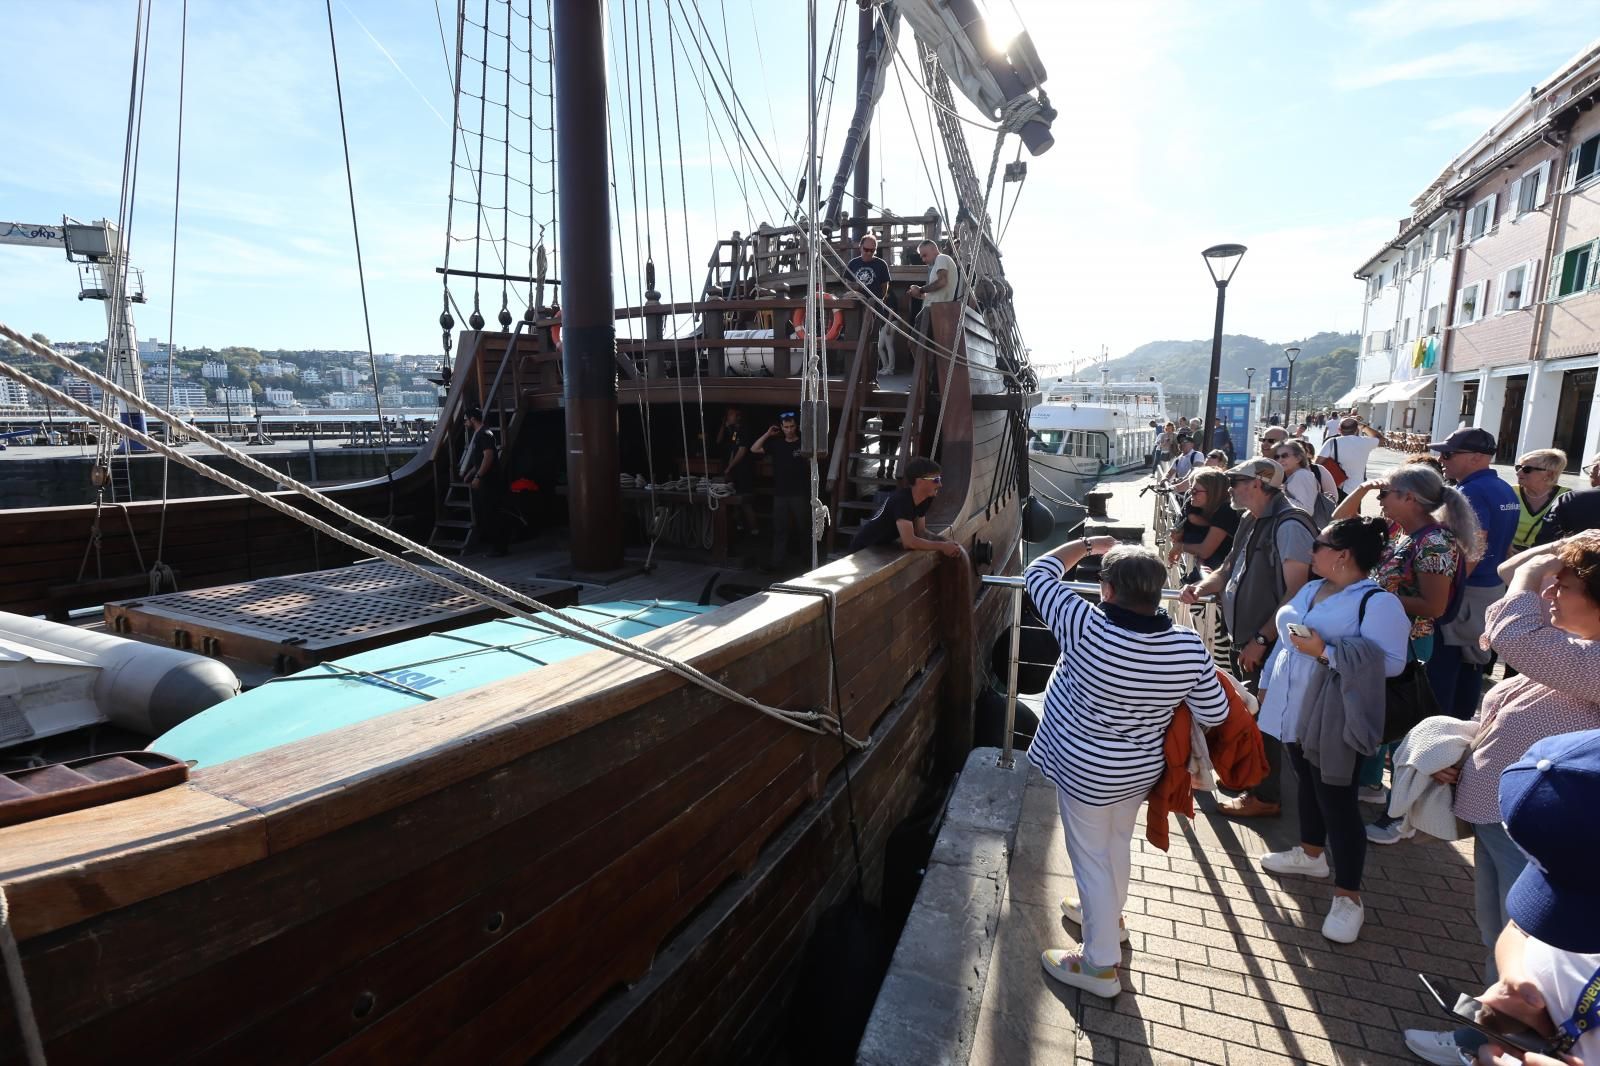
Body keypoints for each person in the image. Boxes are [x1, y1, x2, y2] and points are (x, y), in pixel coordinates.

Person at [1402, 535, 1600, 1066]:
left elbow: (1511, 629)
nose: (1550, 591)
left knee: (1533, 954)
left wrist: (1534, 573)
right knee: (1500, 933)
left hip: (1540, 839)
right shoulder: (1577, 649)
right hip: (1499, 815)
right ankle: (1491, 1033)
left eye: (1568, 584)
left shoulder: (1594, 663)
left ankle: (1492, 1045)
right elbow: (1514, 580)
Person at [1027, 536, 1229, 997]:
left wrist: (1085, 545)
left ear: (1108, 589)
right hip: (1139, 768)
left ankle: (1099, 965)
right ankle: (1108, 917)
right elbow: (1214, 712)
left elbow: (1040, 572)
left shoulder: (1084, 626)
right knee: (1116, 842)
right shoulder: (1185, 646)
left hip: (1085, 768)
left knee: (1090, 858)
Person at [1255, 517, 1410, 943]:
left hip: (1333, 711)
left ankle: (1349, 897)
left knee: (1337, 800)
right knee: (1304, 779)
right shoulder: (1310, 587)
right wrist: (1266, 683)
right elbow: (1287, 639)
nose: (1311, 550)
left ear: (1342, 555)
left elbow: (1393, 663)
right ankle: (1310, 854)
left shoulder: (1377, 603)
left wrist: (1326, 652)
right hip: (1292, 705)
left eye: (1318, 543)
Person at [1334, 464, 1479, 830]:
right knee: (1380, 717)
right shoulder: (1405, 532)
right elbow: (1338, 521)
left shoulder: (1433, 542)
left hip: (1411, 644)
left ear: (1409, 499)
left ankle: (1399, 816)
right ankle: (1371, 785)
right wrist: (1365, 488)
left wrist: (1375, 597)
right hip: (1390, 637)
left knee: (1402, 726)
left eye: (1386, 494)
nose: (1381, 500)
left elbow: (1434, 606)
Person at [1179, 458, 1317, 817]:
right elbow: (1228, 569)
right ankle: (1249, 776)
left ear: (1259, 484)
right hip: (1249, 636)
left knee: (1267, 720)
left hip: (1272, 642)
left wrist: (1261, 638)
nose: (1230, 489)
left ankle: (1266, 796)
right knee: (1253, 712)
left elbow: (1296, 591)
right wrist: (1201, 586)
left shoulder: (1290, 524)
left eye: (1236, 481)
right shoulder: (1250, 518)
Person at [1430, 428, 1520, 719]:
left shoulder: (1471, 491)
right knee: (1472, 665)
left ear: (1476, 457)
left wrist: (1448, 591)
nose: (1442, 460)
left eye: (1448, 454)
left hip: (1467, 592)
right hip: (1490, 588)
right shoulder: (1505, 488)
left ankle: (1437, 736)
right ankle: (1461, 728)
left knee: (1443, 668)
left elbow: (1474, 545)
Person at [848, 456, 962, 557]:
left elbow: (920, 532)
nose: (940, 484)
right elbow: (909, 542)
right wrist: (942, 546)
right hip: (862, 549)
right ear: (919, 481)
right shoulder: (902, 501)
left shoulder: (925, 499)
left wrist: (946, 542)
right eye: (936, 480)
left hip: (880, 548)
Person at [751, 411, 811, 571]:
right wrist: (768, 434)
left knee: (803, 527)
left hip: (799, 493)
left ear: (796, 427)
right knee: (780, 529)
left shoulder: (804, 444)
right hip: (781, 494)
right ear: (782, 428)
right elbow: (754, 449)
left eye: (792, 426)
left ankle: (808, 561)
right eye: (786, 427)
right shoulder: (777, 444)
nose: (789, 430)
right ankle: (777, 563)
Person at [1168, 468, 1240, 575]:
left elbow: (1205, 551)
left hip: (1226, 573)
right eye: (1191, 489)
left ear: (1212, 492)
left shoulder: (1226, 511)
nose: (1190, 493)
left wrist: (1180, 547)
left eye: (1195, 491)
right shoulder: (1202, 507)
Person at [847, 233, 896, 377]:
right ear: (860, 247)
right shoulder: (853, 264)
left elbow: (885, 285)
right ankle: (853, 374)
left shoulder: (881, 264)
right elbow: (846, 282)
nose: (869, 253)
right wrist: (854, 287)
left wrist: (879, 299)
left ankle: (871, 377)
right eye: (866, 249)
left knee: (874, 344)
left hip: (875, 307)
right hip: (857, 309)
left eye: (872, 250)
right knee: (854, 341)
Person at [462, 406, 509, 556]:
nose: (465, 423)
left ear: (472, 419)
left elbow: (488, 457)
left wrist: (478, 476)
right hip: (484, 479)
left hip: (489, 481)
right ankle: (495, 546)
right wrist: (471, 472)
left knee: (492, 513)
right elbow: (481, 459)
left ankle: (499, 548)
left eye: (465, 420)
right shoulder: (479, 434)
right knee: (486, 513)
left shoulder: (484, 434)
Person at [1511, 449, 1569, 554]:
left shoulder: (1567, 497)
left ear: (1549, 474)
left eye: (1527, 469)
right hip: (1506, 554)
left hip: (1544, 558)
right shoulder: (1509, 492)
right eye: (1518, 467)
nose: (1518, 473)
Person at [717, 407, 760, 539]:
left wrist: (729, 467)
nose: (728, 416)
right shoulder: (733, 431)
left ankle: (755, 532)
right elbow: (718, 441)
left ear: (738, 416)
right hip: (734, 471)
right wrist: (724, 426)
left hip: (744, 471)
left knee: (745, 502)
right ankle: (738, 528)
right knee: (732, 501)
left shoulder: (744, 429)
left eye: (731, 414)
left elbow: (741, 451)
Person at [1318, 416, 1386, 497]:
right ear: (1357, 430)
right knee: (1355, 509)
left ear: (1339, 430)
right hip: (1357, 487)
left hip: (1336, 485)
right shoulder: (1366, 442)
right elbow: (1381, 439)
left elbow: (1318, 463)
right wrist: (1364, 427)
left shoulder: (1332, 442)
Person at [1276, 438, 1328, 519]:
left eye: (1284, 456)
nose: (1280, 460)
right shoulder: (1295, 476)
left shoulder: (1302, 475)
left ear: (1298, 458)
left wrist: (1277, 496)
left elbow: (1306, 510)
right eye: (1277, 457)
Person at [908, 239, 959, 309]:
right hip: (935, 309)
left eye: (925, 255)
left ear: (934, 249)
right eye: (922, 257)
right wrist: (918, 293)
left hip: (935, 310)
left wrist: (920, 289)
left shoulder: (941, 258)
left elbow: (942, 282)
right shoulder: (939, 263)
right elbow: (935, 295)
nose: (923, 260)